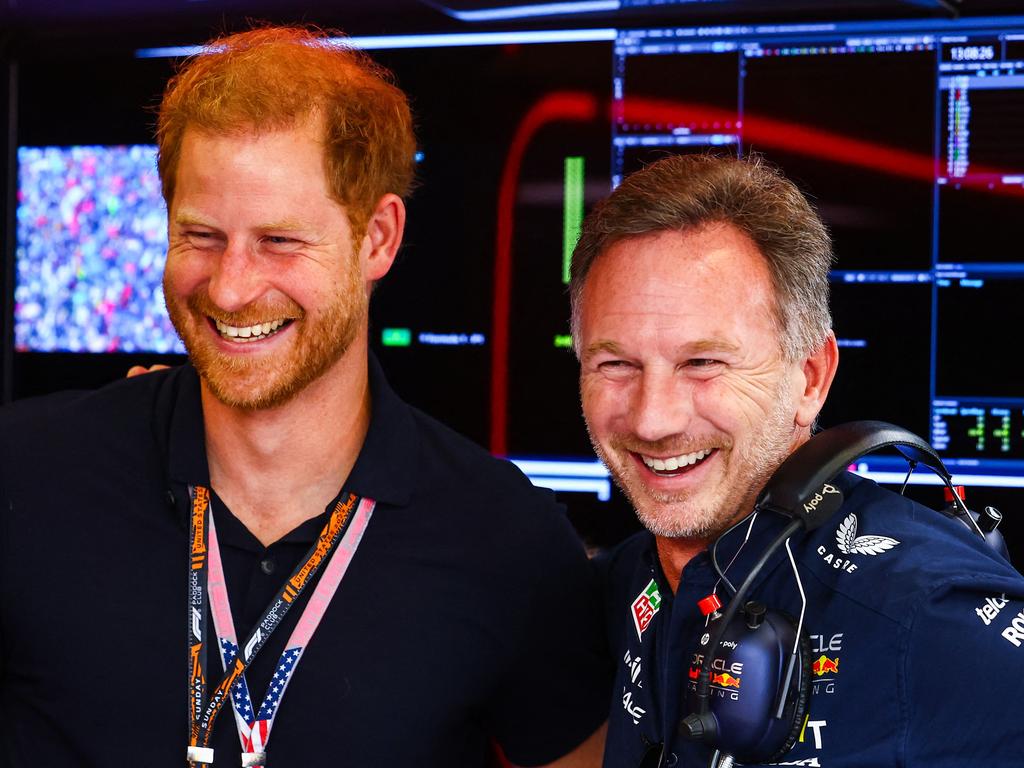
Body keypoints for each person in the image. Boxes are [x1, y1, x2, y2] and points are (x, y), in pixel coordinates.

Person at [0, 26, 609, 768]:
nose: (230, 286)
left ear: (378, 238)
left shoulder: (508, 540)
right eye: (200, 235)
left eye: (280, 242)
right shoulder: (23, 474)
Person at [570, 154, 1024, 767]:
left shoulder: (930, 615)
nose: (653, 419)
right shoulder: (616, 585)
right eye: (615, 364)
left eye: (703, 363)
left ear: (811, 376)